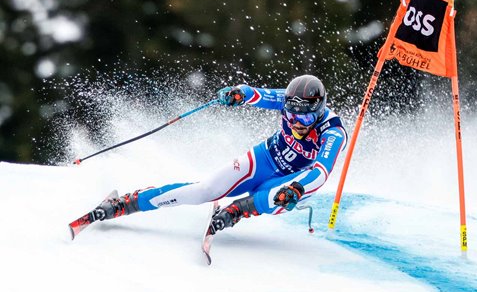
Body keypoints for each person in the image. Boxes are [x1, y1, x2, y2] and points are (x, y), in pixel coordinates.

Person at [88, 74, 347, 235]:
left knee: (273, 198)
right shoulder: (288, 99)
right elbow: (254, 93)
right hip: (264, 159)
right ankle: (127, 203)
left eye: (304, 117)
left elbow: (320, 172)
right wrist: (237, 93)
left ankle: (238, 210)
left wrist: (297, 189)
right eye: (291, 115)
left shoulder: (333, 132)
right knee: (205, 190)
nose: (296, 122)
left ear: (319, 110)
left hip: (292, 179)